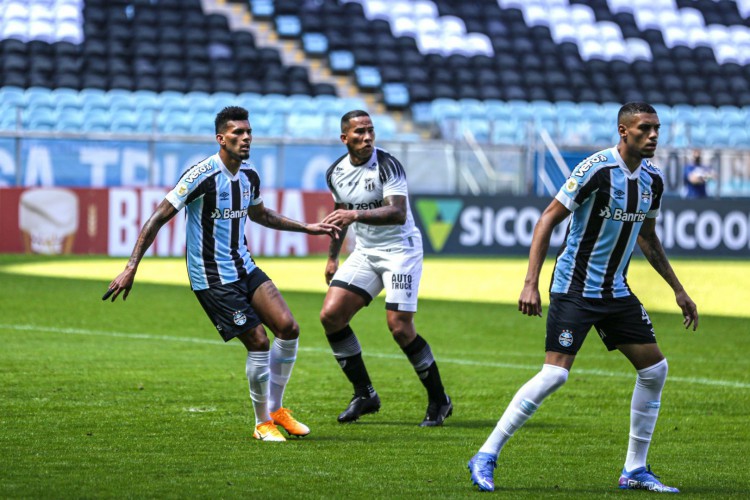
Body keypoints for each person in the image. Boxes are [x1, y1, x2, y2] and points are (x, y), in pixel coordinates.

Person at [467, 102, 699, 492]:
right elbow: (547, 219)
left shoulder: (653, 180)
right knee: (555, 374)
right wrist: (530, 282)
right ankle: (486, 454)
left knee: (654, 369)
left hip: (615, 291)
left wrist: (678, 289)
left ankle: (634, 470)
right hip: (575, 288)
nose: (654, 135)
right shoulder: (595, 169)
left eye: (657, 128)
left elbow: (647, 236)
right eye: (645, 128)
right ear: (624, 131)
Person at [104, 106, 339, 442]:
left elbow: (262, 215)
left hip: (244, 266)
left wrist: (308, 228)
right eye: (237, 134)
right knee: (258, 342)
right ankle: (262, 424)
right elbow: (158, 217)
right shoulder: (201, 174)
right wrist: (131, 267)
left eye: (248, 133)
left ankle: (276, 409)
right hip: (212, 278)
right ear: (221, 138)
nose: (245, 139)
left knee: (288, 328)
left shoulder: (249, 176)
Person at [319, 110, 452, 426]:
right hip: (365, 252)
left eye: (370, 131)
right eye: (359, 133)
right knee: (331, 316)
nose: (366, 138)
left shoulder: (388, 165)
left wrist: (355, 217)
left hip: (399, 251)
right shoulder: (334, 172)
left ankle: (439, 400)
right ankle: (364, 394)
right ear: (344, 138)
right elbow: (340, 214)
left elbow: (397, 212)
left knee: (400, 327)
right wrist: (332, 257)